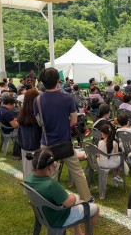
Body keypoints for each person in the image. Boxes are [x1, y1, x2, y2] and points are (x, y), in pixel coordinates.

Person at [24, 149, 104, 235]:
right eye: (54, 165)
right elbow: (69, 203)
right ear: (49, 167)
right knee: (95, 209)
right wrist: (75, 196)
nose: (55, 166)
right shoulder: (51, 185)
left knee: (77, 202)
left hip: (43, 215)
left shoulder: (28, 179)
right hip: (58, 218)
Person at [34, 67, 92, 202]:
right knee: (77, 173)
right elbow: (74, 120)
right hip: (65, 143)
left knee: (50, 175)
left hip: (46, 144)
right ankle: (87, 199)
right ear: (58, 81)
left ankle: (52, 202)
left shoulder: (37, 100)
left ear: (42, 82)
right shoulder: (67, 97)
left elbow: (39, 122)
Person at [17, 89, 41, 179]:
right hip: (36, 146)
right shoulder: (37, 113)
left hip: (24, 145)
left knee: (27, 168)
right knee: (36, 169)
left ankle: (28, 187)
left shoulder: (22, 113)